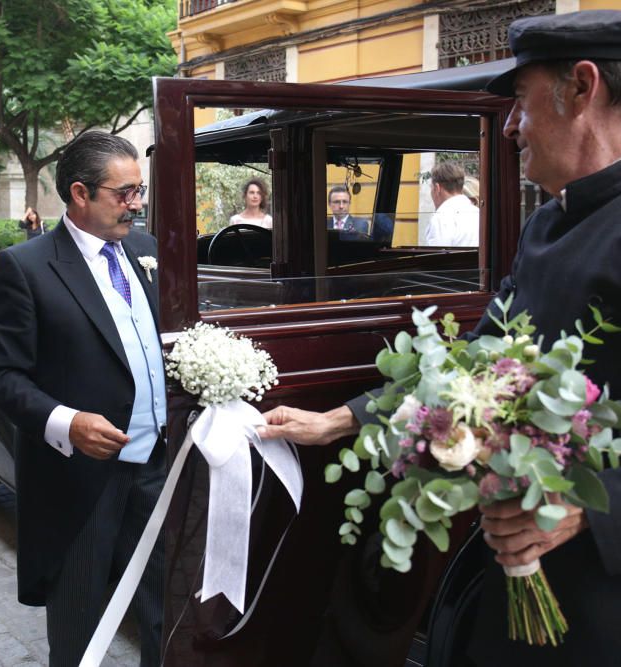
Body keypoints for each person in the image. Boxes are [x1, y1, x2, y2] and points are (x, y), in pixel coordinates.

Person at [258, 10, 621, 666]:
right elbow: (478, 354)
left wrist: (586, 511)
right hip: (507, 576)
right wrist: (341, 418)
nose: (510, 126)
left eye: (518, 101)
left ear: (582, 87)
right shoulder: (546, 226)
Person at [0, 130, 165, 667]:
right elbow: (2, 377)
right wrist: (67, 422)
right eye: (124, 192)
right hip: (81, 481)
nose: (138, 203)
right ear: (80, 194)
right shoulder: (27, 268)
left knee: (163, 611)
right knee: (80, 622)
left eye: (140, 190)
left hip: (156, 468)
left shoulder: (146, 250)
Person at [422, 162, 480, 246]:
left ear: (437, 188)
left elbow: (437, 256)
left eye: (431, 188)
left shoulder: (440, 219)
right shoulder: (478, 213)